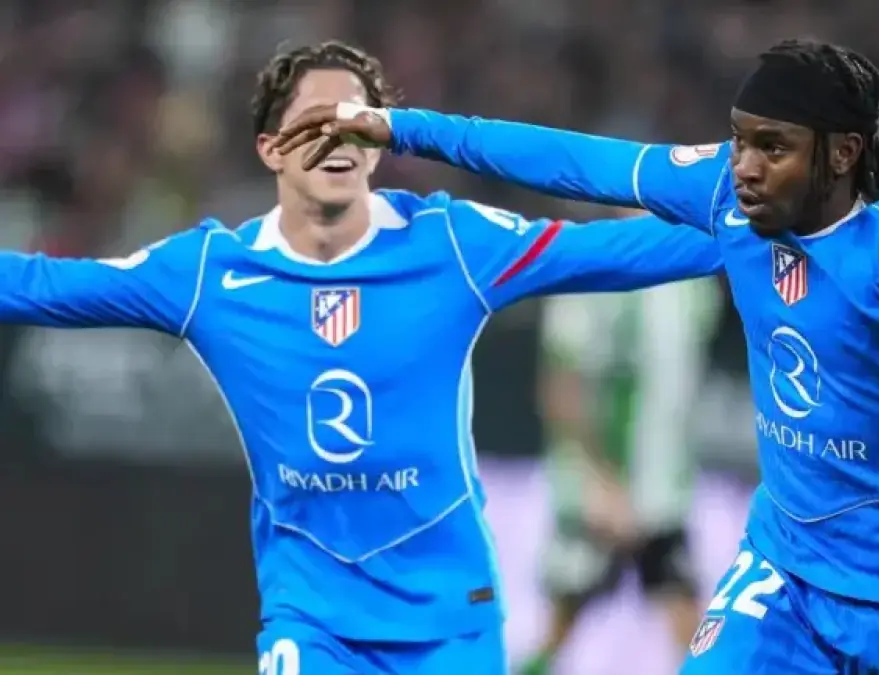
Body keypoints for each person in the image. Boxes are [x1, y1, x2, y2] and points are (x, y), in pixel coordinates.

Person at [272, 38, 879, 673]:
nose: (744, 167)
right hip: (789, 565)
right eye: (740, 141)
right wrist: (401, 128)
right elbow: (569, 159)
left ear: (842, 153)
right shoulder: (725, 193)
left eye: (772, 147)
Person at [0, 41, 723, 675]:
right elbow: (46, 286)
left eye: (356, 120)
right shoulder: (210, 273)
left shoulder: (451, 244)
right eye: (316, 120)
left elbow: (620, 250)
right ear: (270, 148)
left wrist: (756, 222)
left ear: (378, 145)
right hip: (311, 619)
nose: (338, 136)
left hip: (450, 619)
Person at [523, 213, 722, 674]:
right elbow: (562, 386)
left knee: (692, 627)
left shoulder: (695, 282)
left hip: (662, 495)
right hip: (601, 494)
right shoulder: (592, 278)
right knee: (559, 628)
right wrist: (600, 481)